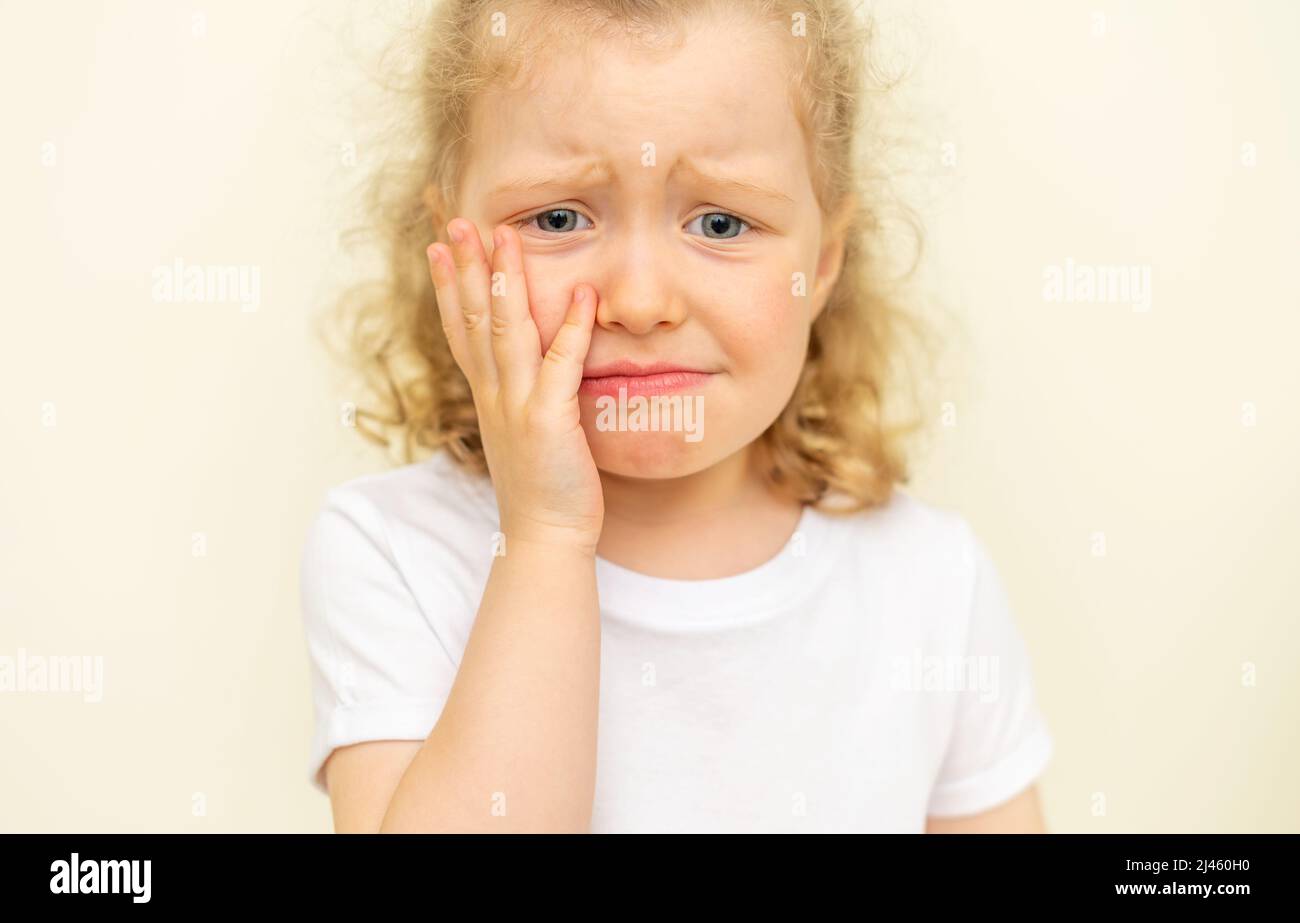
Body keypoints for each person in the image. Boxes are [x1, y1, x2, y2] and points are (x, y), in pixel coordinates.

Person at [300, 0, 1054, 833]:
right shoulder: (394, 552)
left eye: (722, 222)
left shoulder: (932, 583)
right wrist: (545, 534)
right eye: (558, 218)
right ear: (451, 247)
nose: (641, 299)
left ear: (824, 262)